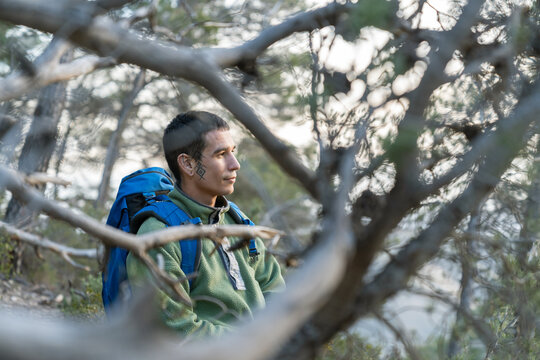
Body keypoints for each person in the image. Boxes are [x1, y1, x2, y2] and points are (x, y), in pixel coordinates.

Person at [126, 111, 285, 337]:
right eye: (221, 154)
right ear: (188, 164)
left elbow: (274, 291)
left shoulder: (238, 222)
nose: (235, 164)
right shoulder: (157, 235)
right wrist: (249, 344)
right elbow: (175, 329)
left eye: (233, 152)